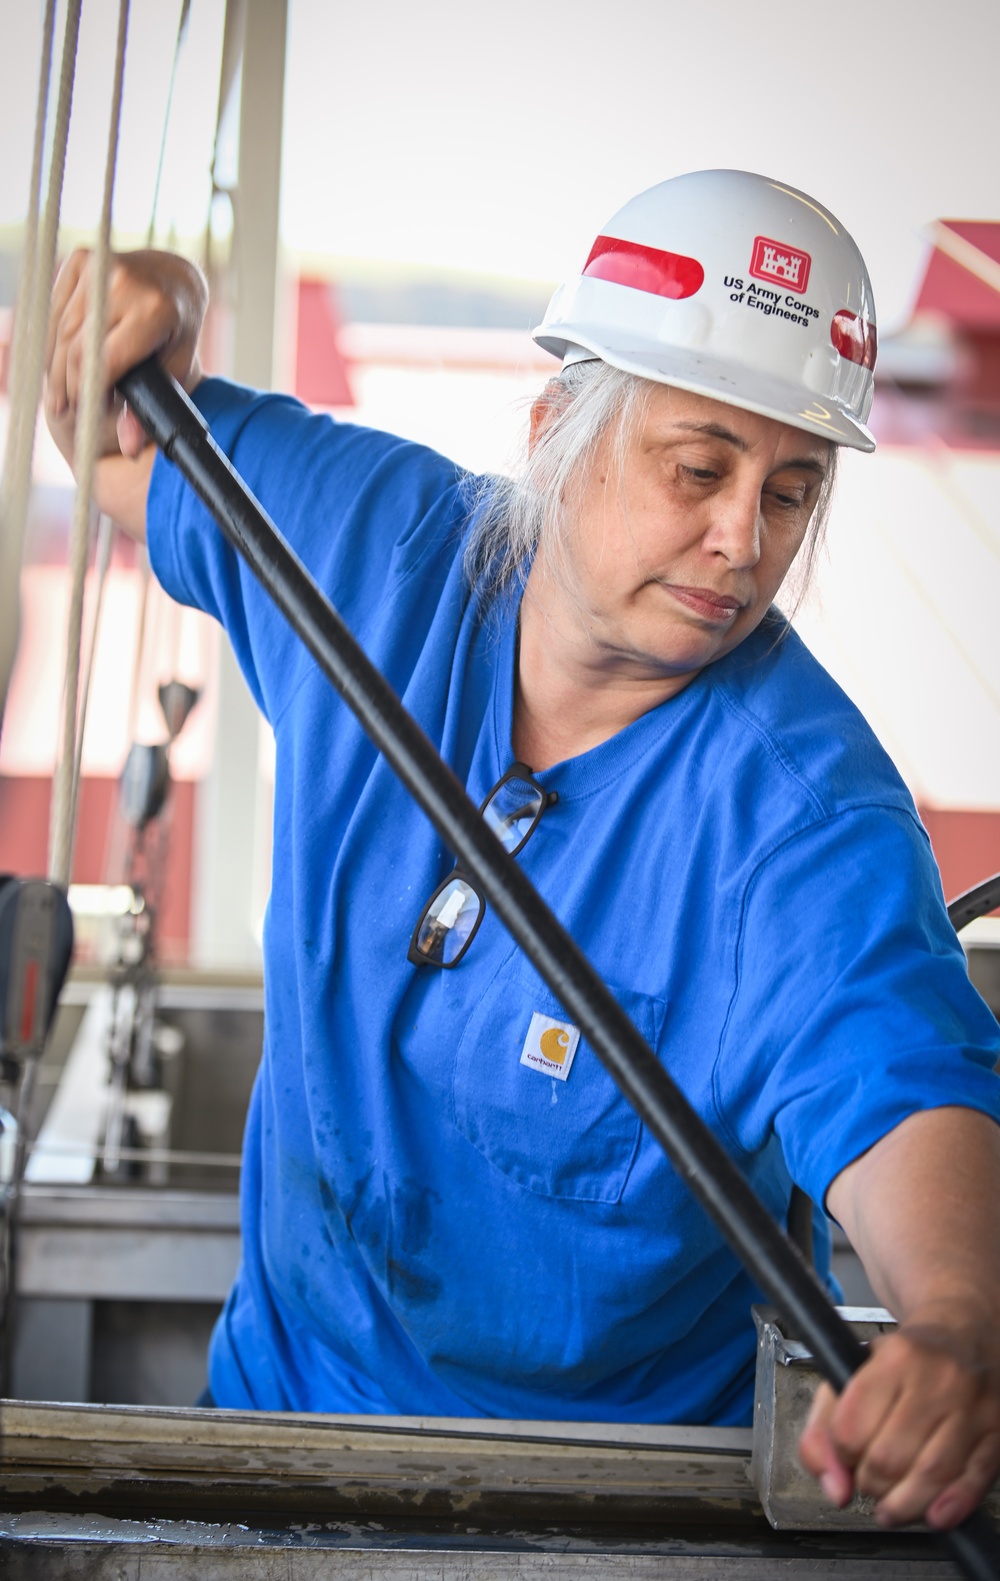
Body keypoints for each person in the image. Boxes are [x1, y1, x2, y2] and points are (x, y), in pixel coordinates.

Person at [45, 169, 1000, 1532]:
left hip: (595, 1519)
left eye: (791, 493)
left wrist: (962, 1325)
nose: (740, 539)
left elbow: (907, 1087)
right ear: (559, 423)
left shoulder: (806, 816)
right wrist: (161, 301)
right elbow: (124, 441)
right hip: (264, 1453)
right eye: (698, 469)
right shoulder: (371, 549)